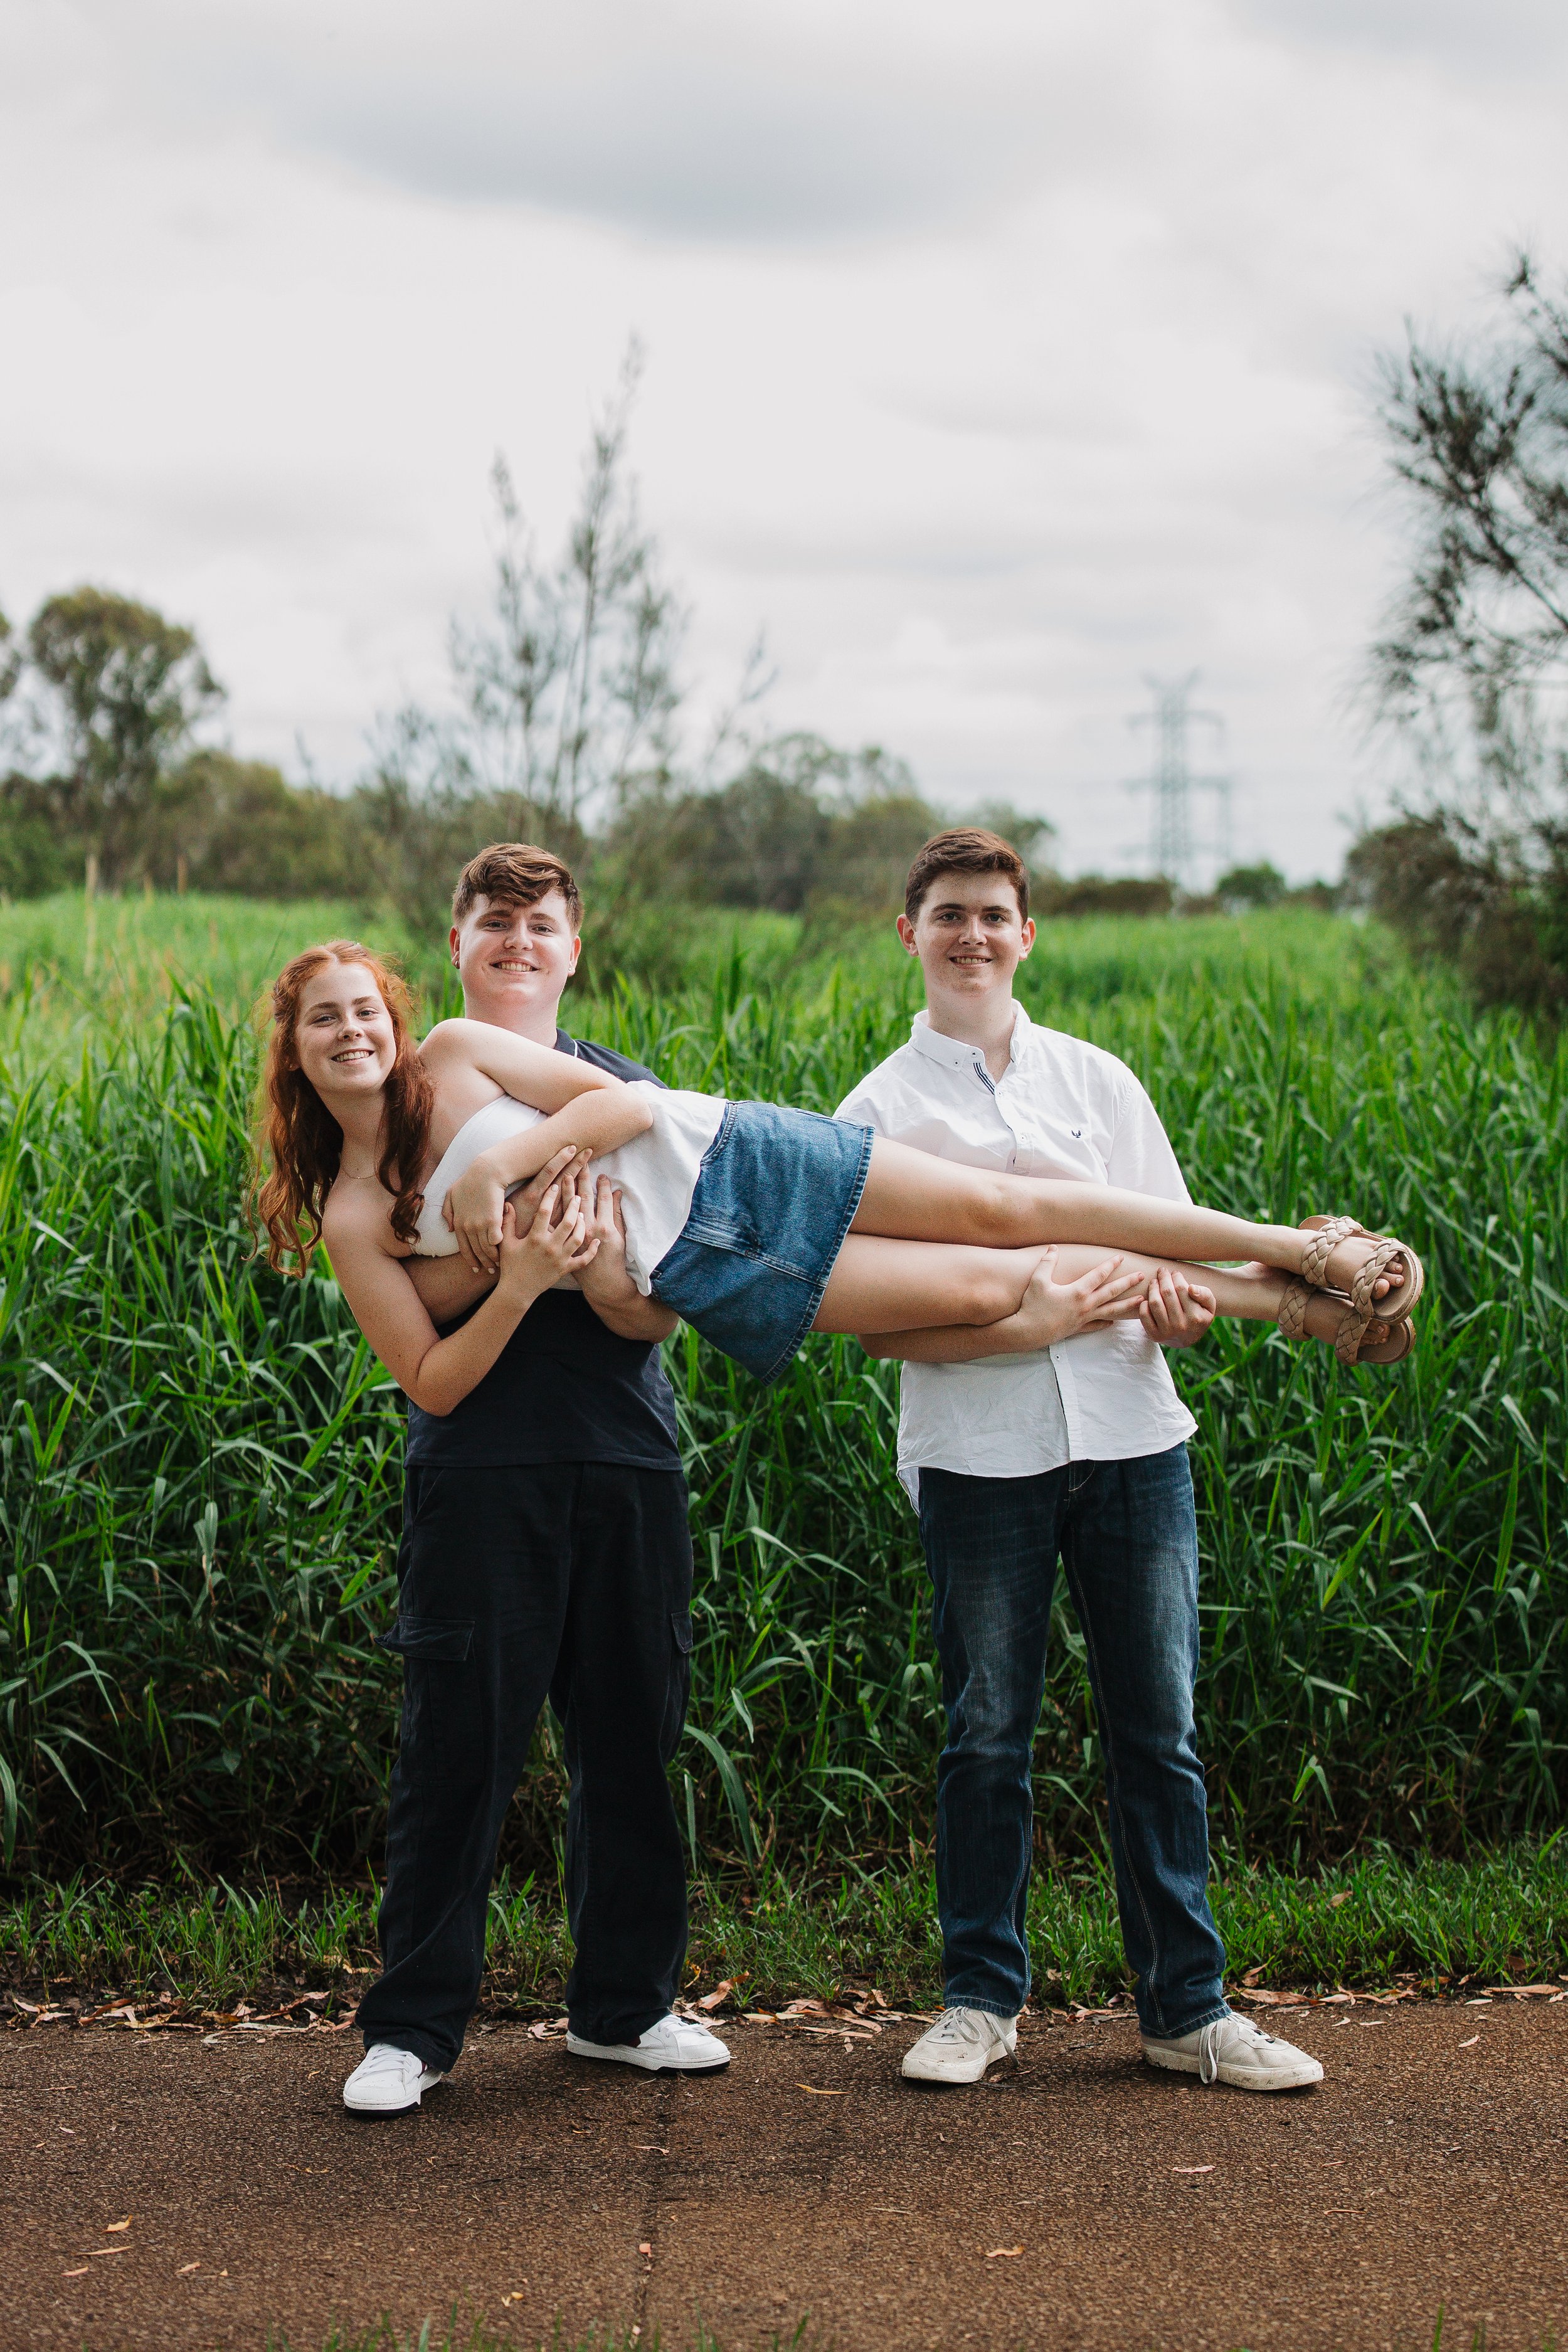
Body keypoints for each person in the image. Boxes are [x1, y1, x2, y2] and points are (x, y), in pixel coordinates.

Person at [835, 828, 1329, 2094]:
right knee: (984, 1734)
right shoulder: (875, 1116)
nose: (971, 936)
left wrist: (1180, 1310)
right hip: (975, 1453)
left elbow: (1176, 1263)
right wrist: (1021, 1320)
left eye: (993, 915)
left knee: (1155, 1731)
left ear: (1025, 935)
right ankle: (976, 2001)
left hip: (1130, 1438)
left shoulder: (1098, 1085)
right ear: (910, 934)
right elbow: (867, 1319)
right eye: (947, 914)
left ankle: (1186, 2010)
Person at [305, 844, 731, 2116]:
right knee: (458, 1750)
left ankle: (623, 2009)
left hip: (622, 1449)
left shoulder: (617, 1087)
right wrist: (517, 1256)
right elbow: (415, 1326)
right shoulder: (413, 1093)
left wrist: (585, 1267)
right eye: (493, 923)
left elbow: (655, 1312)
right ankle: (414, 2031)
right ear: (455, 948)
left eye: (540, 925)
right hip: (479, 1467)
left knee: (631, 1743)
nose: (518, 942)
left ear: (572, 949)